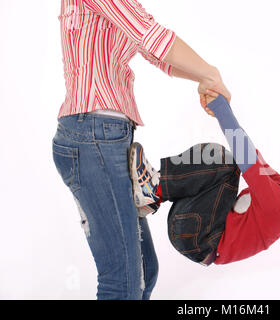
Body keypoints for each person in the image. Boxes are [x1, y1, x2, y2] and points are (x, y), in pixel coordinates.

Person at [52, 0, 230, 300]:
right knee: (122, 283)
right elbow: (151, 34)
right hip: (93, 135)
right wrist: (211, 73)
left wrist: (202, 78)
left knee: (145, 273)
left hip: (106, 137)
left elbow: (153, 52)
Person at [129, 93, 280, 266]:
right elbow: (255, 157)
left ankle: (155, 190)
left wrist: (222, 108)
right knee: (220, 158)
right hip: (198, 229)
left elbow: (246, 158)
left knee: (226, 163)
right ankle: (153, 195)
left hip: (199, 238)